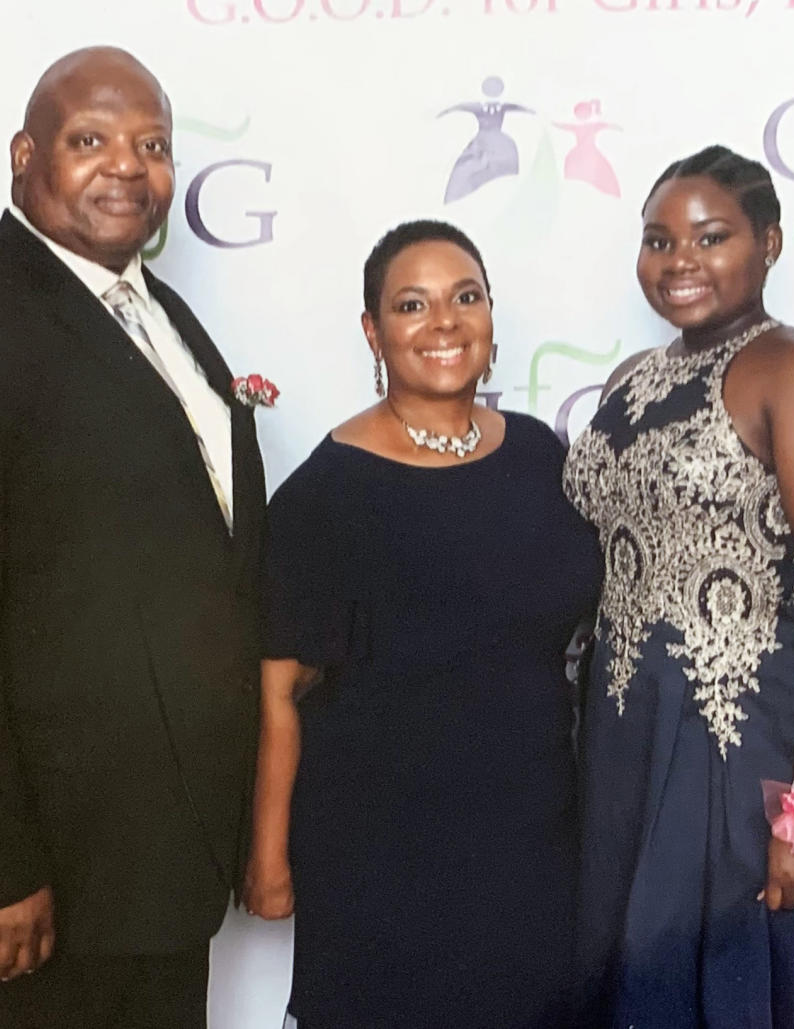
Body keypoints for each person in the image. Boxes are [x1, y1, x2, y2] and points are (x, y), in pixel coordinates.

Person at [0, 48, 265, 1029]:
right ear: (23, 153)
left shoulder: (154, 311)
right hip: (45, 880)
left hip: (161, 862)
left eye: (153, 146)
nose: (127, 167)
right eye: (91, 140)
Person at [563, 145, 794, 1029]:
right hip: (628, 737)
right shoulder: (633, 379)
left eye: (711, 238)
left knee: (740, 985)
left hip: (741, 741)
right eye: (658, 240)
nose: (680, 262)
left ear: (771, 243)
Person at [244, 220, 601, 1028]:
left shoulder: (540, 455)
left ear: (490, 316)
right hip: (385, 847)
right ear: (373, 331)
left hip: (533, 834)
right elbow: (280, 694)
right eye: (412, 304)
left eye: (465, 297)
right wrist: (269, 859)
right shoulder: (323, 496)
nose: (445, 322)